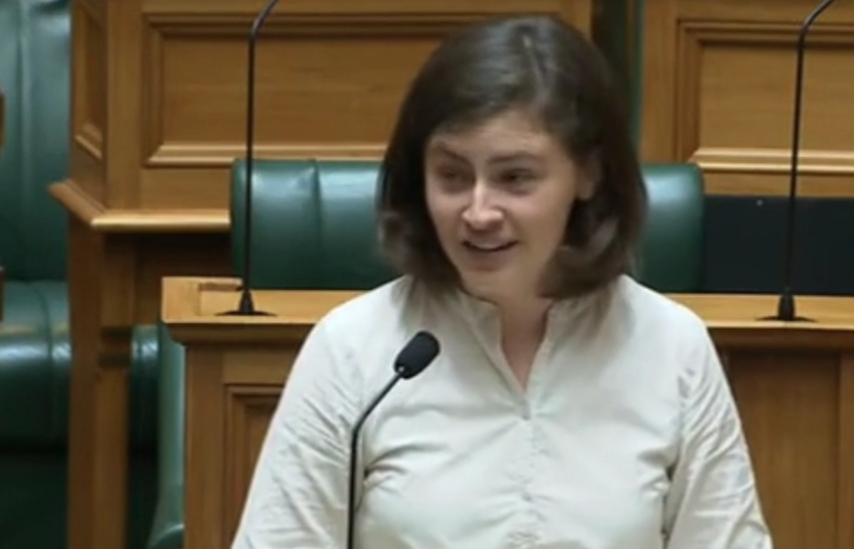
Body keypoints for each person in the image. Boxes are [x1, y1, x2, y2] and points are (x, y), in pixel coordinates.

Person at [230, 14, 773, 549]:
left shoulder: (672, 347)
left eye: (515, 177)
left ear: (588, 173)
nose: (479, 211)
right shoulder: (352, 349)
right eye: (452, 176)